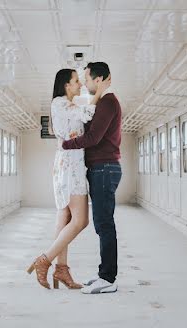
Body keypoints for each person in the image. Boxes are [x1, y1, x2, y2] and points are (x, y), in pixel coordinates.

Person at [26, 68, 111, 289]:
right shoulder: (61, 104)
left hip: (67, 164)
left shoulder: (64, 105)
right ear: (66, 85)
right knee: (81, 220)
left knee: (64, 217)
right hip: (70, 167)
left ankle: (61, 270)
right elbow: (87, 115)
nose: (80, 85)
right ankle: (45, 260)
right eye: (75, 81)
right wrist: (99, 92)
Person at [61, 62, 122, 294]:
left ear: (99, 80)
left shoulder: (107, 102)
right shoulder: (104, 103)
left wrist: (67, 144)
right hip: (102, 168)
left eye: (87, 79)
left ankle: (108, 279)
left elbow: (94, 137)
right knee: (102, 224)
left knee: (104, 224)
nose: (85, 85)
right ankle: (104, 275)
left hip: (104, 169)